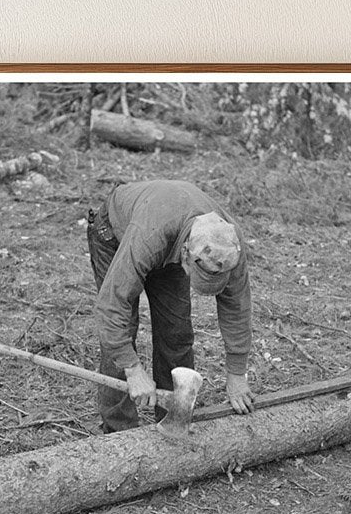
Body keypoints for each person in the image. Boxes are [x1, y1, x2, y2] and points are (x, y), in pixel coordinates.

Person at [86, 179, 253, 432]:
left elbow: (237, 306)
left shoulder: (228, 241)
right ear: (187, 255)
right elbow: (111, 305)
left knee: (176, 333)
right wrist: (133, 369)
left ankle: (173, 419)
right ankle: (118, 430)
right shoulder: (148, 237)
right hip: (115, 234)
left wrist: (237, 374)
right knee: (123, 329)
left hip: (168, 233)